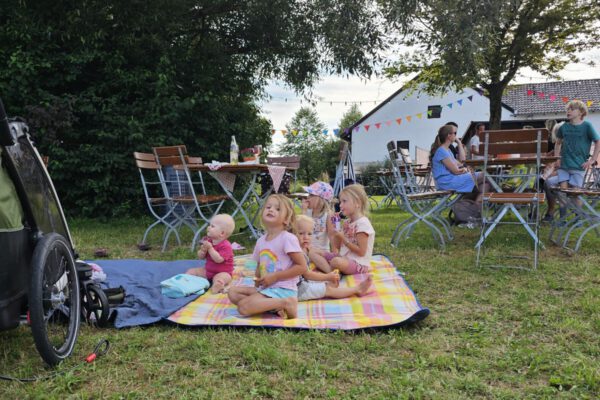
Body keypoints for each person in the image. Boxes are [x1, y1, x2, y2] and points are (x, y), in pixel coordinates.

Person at [227, 194, 306, 319]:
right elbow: (255, 264)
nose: (271, 209)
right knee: (232, 292)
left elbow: (302, 267)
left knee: (243, 307)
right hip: (267, 288)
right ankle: (275, 308)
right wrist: (256, 278)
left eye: (277, 209)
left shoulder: (287, 238)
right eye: (268, 207)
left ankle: (286, 303)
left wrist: (275, 276)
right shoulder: (261, 241)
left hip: (283, 290)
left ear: (286, 219)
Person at [543, 100, 600, 222]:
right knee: (563, 192)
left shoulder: (587, 126)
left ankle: (577, 218)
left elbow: (598, 141)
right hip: (564, 166)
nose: (568, 111)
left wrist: (593, 159)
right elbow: (557, 143)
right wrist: (557, 158)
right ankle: (563, 219)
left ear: (581, 113)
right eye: (567, 109)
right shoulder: (564, 127)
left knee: (575, 193)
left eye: (572, 109)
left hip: (579, 167)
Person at [295, 215, 372, 301]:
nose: (306, 237)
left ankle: (328, 284)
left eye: (309, 234)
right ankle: (357, 289)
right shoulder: (297, 253)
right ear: (292, 234)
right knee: (329, 290)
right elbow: (307, 275)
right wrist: (327, 276)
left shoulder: (301, 249)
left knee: (326, 283)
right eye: (301, 233)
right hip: (297, 290)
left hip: (299, 283)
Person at [311, 184, 375, 275]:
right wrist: (336, 232)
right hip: (343, 258)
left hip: (358, 263)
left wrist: (344, 239)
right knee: (313, 252)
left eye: (344, 201)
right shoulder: (347, 223)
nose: (340, 205)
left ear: (357, 203)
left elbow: (361, 252)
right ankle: (331, 272)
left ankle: (330, 271)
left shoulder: (363, 224)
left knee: (336, 261)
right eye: (340, 202)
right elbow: (337, 247)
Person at [430, 124, 487, 202]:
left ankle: (475, 207)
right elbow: (456, 171)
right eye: (455, 133)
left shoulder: (447, 150)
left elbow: (462, 161)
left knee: (485, 184)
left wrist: (459, 143)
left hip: (451, 180)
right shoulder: (441, 151)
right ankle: (472, 206)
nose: (456, 136)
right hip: (447, 182)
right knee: (485, 175)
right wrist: (465, 170)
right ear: (449, 135)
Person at [185, 214, 235, 294]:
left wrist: (210, 249)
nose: (208, 227)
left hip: (223, 272)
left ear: (222, 233)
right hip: (208, 271)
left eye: (212, 226)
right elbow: (200, 257)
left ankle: (218, 285)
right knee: (192, 271)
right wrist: (202, 251)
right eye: (209, 225)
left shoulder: (226, 245)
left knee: (222, 278)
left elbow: (219, 260)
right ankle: (186, 281)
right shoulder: (207, 240)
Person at [300, 181, 336, 271]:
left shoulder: (328, 215)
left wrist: (336, 254)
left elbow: (332, 236)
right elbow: (300, 227)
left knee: (311, 254)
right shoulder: (308, 212)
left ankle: (331, 272)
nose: (308, 197)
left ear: (321, 199)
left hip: (321, 252)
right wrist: (303, 211)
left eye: (311, 195)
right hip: (306, 248)